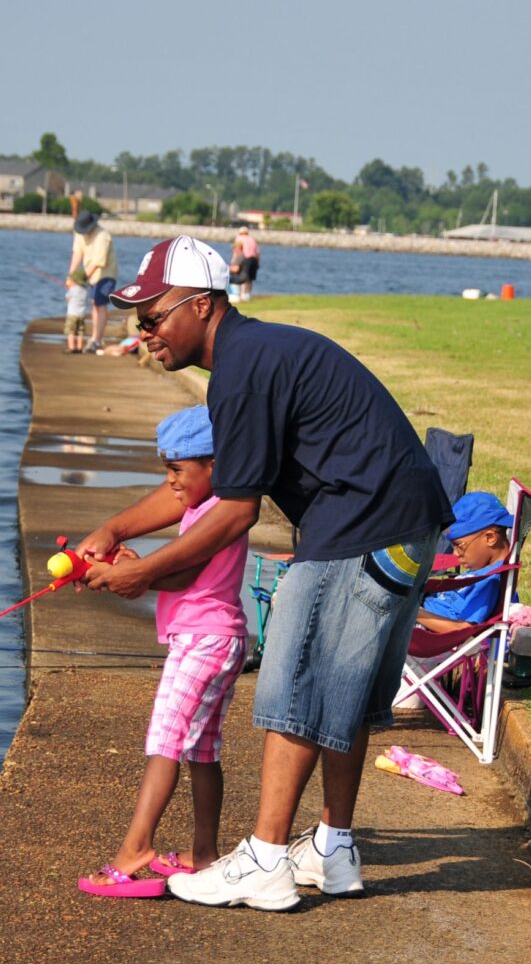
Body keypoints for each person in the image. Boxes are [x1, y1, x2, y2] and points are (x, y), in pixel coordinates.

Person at [77, 235, 451, 911]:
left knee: (295, 678)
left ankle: (266, 860)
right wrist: (117, 530)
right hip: (406, 522)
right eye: (138, 321)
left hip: (360, 521)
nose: (145, 333)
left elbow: (235, 512)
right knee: (342, 692)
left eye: (153, 317)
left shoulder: (242, 368)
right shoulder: (255, 354)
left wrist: (145, 573)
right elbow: (212, 488)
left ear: (201, 304)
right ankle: (334, 849)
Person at [77, 405, 251, 898]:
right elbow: (181, 571)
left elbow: (185, 574)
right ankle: (203, 854)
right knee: (201, 750)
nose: (170, 482)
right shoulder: (208, 506)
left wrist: (133, 575)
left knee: (164, 742)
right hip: (218, 638)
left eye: (177, 469)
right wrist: (136, 565)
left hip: (203, 640)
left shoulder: (218, 513)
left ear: (215, 465)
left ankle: (135, 850)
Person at [416, 492, 516, 633]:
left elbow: (462, 629)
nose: (455, 554)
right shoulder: (484, 570)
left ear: (490, 538)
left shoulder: (490, 581)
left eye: (459, 545)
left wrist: (412, 611)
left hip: (420, 625)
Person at [67, 209, 119, 351]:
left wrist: (80, 279)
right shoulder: (79, 233)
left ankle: (96, 340)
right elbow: (77, 253)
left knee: (100, 304)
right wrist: (71, 276)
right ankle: (95, 338)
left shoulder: (103, 236)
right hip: (91, 275)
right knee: (94, 305)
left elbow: (98, 262)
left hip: (106, 273)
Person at [230, 226, 260, 303]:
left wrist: (234, 262)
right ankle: (247, 295)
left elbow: (237, 250)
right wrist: (257, 263)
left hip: (244, 259)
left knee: (242, 277)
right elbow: (258, 252)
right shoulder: (252, 239)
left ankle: (240, 295)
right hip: (254, 259)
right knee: (250, 278)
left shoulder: (239, 238)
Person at [63, 270, 91, 353]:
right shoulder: (85, 290)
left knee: (71, 331)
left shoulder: (72, 289)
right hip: (81, 314)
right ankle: (79, 347)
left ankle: (71, 348)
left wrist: (69, 288)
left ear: (74, 281)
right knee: (80, 332)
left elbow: (67, 297)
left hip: (72, 314)